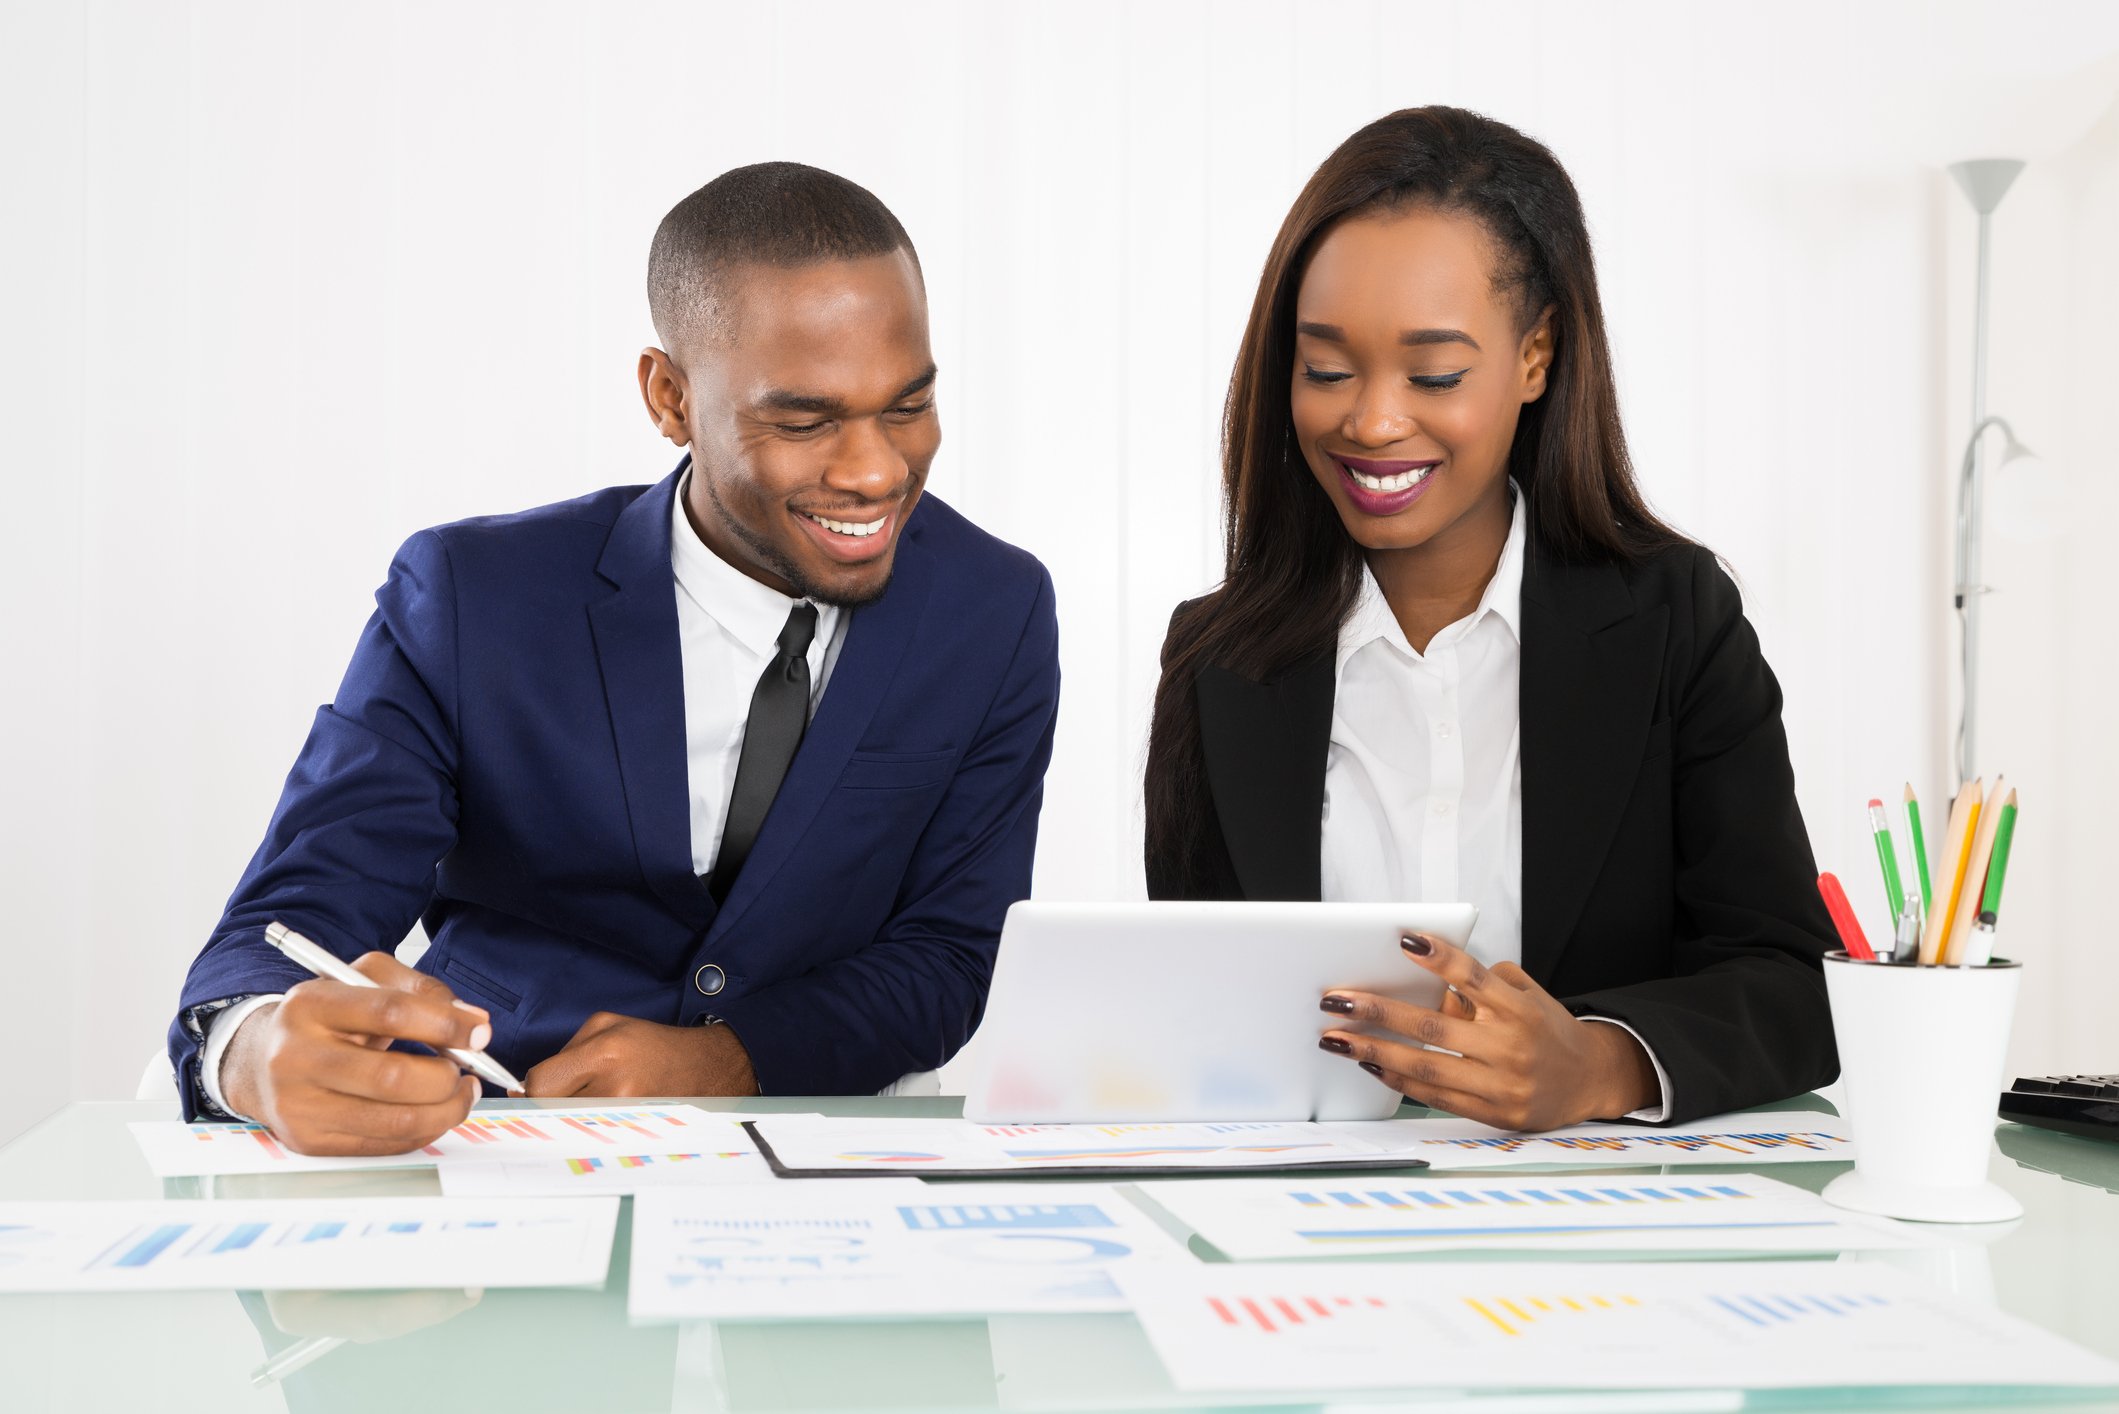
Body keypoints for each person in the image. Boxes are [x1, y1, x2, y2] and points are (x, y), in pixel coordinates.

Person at [171, 162, 1060, 1155]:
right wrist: (250, 1049)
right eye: (805, 420)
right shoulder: (472, 595)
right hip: (506, 1137)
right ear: (671, 397)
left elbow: (947, 953)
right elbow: (299, 911)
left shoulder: (993, 607)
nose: (874, 471)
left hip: (827, 1144)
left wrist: (727, 1059)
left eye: (906, 406)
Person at [1144, 107, 1836, 1130]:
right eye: (1327, 368)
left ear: (1536, 357)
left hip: (1604, 1246)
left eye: (1433, 374)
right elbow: (1198, 1016)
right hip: (1312, 1233)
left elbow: (1789, 985)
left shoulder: (1674, 622)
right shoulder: (1218, 661)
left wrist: (1598, 1066)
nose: (1372, 420)